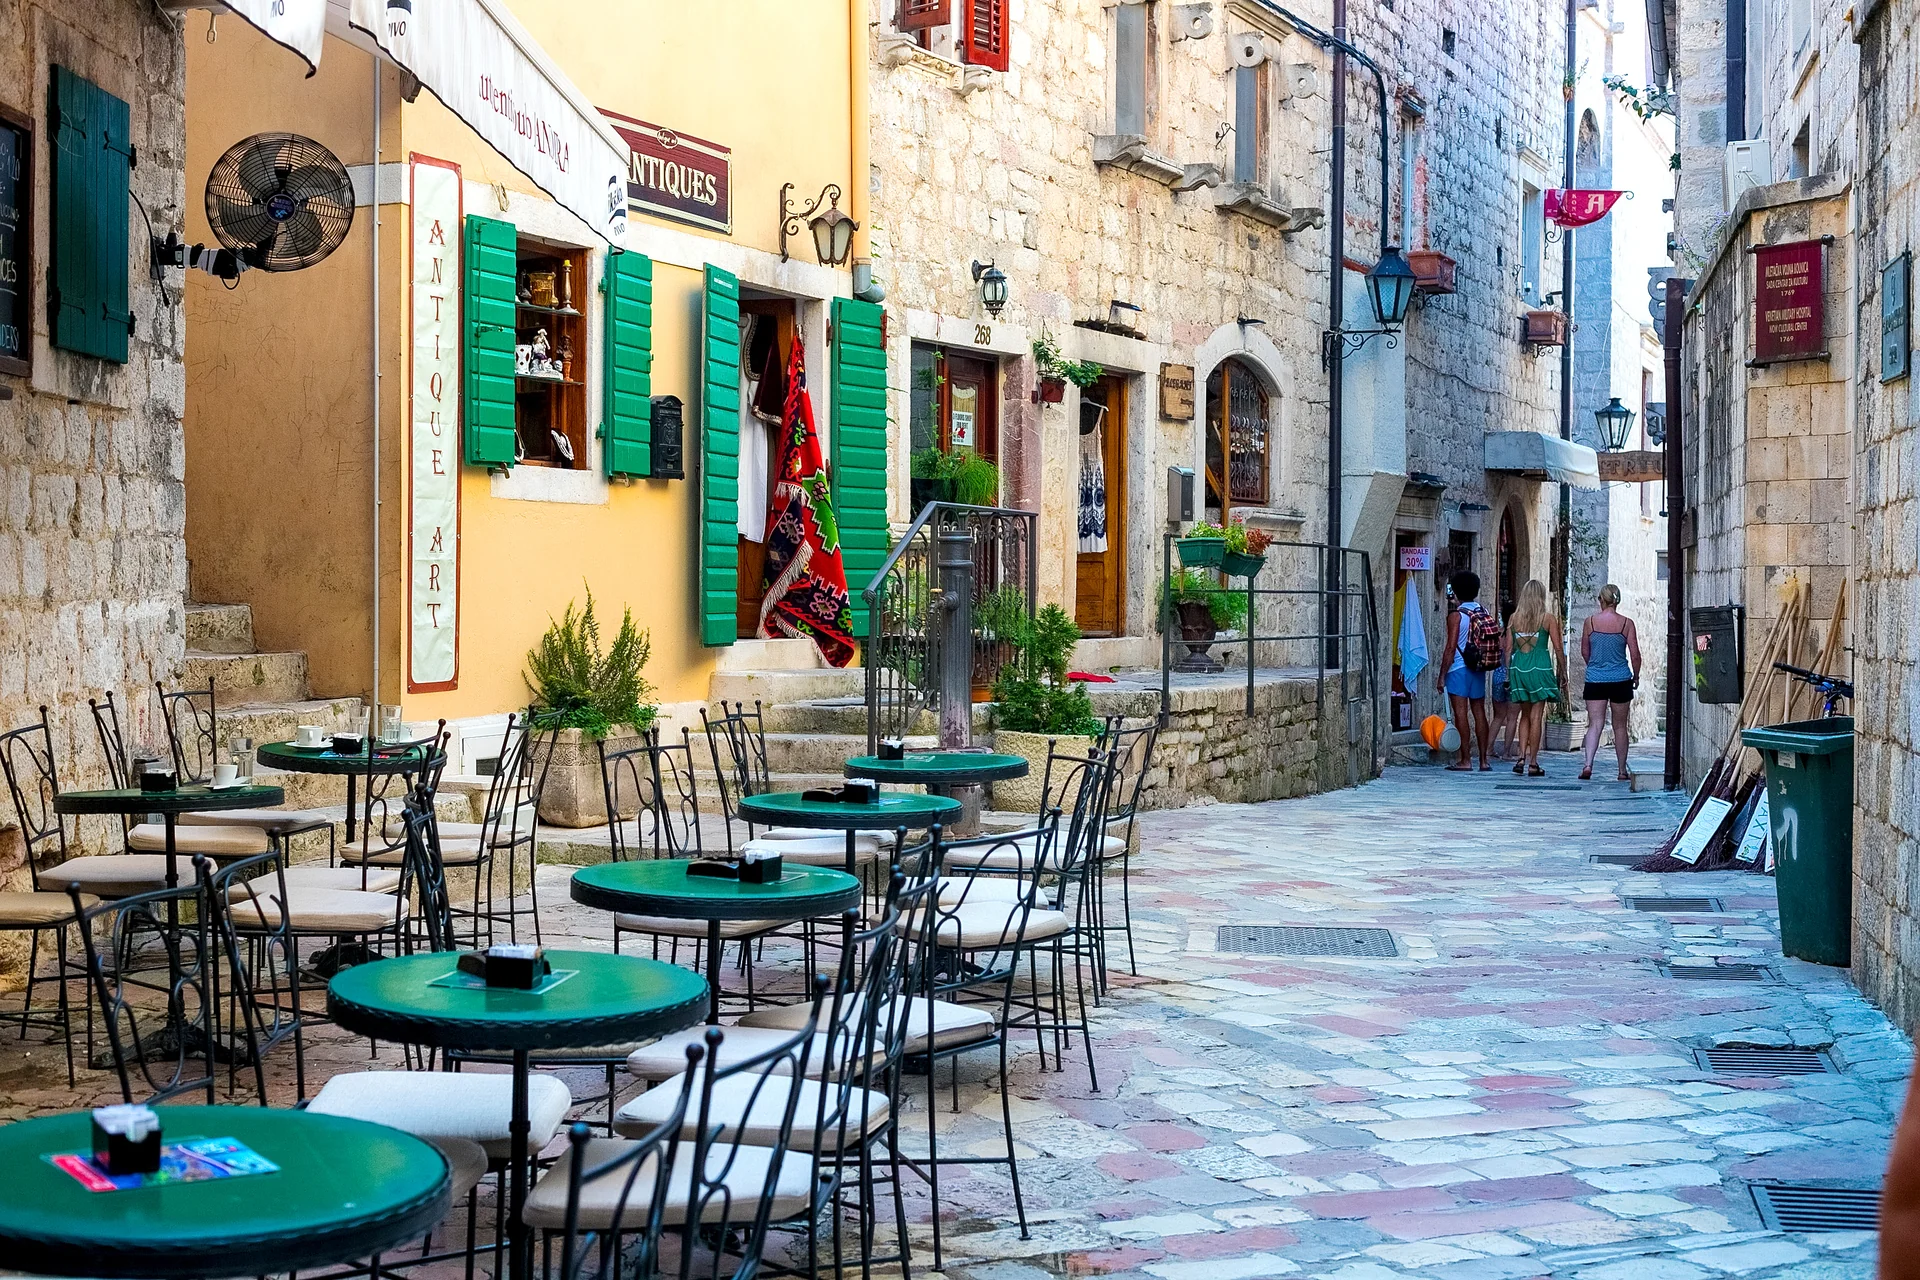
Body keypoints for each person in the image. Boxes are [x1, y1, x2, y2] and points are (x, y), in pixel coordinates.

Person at [1578, 584, 1642, 782]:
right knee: (1620, 726)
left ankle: (1588, 764)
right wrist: (1636, 676)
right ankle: (1622, 770)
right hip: (1621, 679)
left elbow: (1584, 650)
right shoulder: (1626, 624)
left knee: (1595, 724)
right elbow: (1635, 654)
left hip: (1595, 678)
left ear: (1601, 600)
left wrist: (1594, 666)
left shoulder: (1590, 622)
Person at [1503, 579, 1563, 777]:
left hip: (1519, 668)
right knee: (1537, 716)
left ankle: (1520, 757)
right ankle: (1533, 762)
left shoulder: (1513, 618)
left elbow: (1508, 648)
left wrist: (1508, 672)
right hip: (1539, 667)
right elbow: (1557, 647)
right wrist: (1562, 671)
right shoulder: (1547, 619)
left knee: (1525, 715)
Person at [1441, 570, 1493, 771]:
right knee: (1479, 712)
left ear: (1455, 591)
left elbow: (1450, 648)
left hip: (1458, 668)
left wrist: (1442, 675)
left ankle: (1465, 759)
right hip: (1478, 668)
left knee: (1461, 713)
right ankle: (1483, 760)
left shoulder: (1457, 616)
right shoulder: (1483, 611)